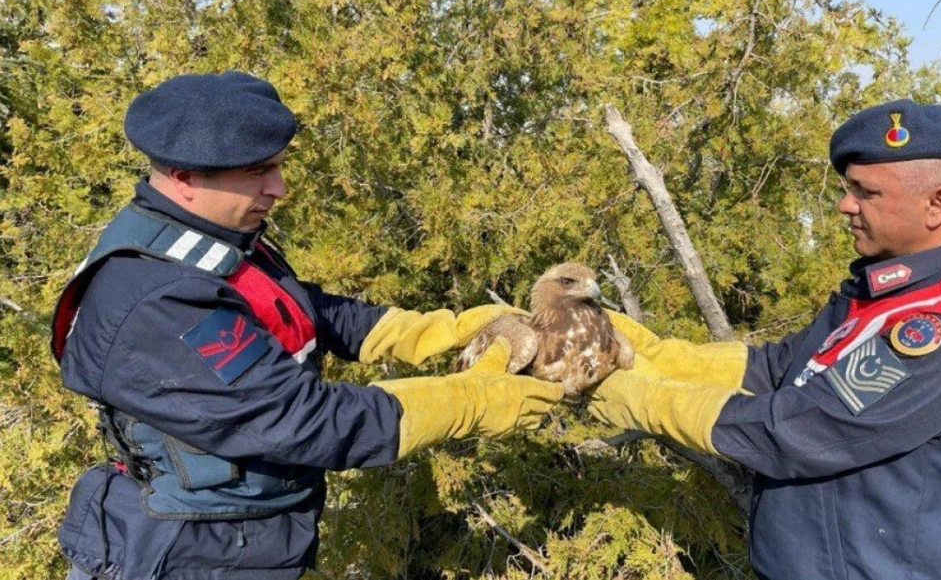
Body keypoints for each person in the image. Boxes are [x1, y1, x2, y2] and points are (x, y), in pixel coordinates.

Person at [51, 71, 564, 580]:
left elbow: (292, 307)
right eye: (258, 172)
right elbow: (299, 419)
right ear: (184, 176)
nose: (279, 187)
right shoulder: (158, 299)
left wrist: (431, 331)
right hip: (182, 553)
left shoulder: (209, 235)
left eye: (277, 166)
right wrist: (467, 402)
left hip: (236, 540)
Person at [590, 100, 941, 580]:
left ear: (937, 205)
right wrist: (659, 355)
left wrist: (645, 400)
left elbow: (800, 432)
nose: (846, 204)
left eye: (866, 192)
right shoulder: (885, 294)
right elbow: (783, 367)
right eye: (848, 188)